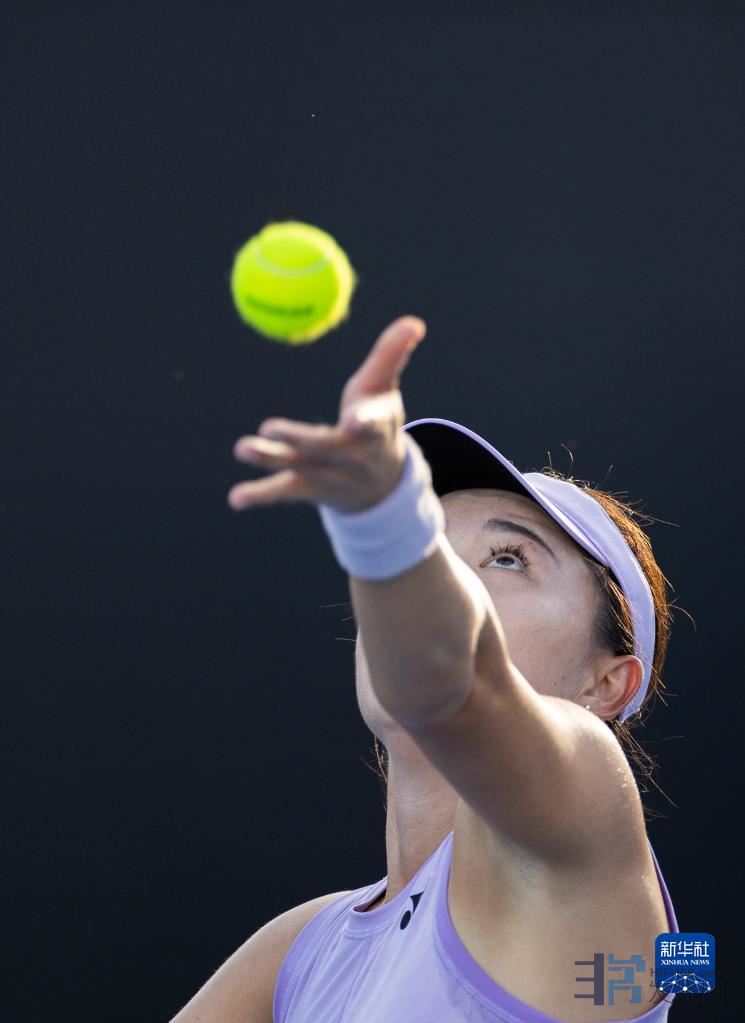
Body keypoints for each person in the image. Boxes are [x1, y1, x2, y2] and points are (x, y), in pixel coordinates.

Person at [171, 316, 680, 1023]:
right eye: (431, 545)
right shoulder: (297, 948)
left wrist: (385, 531)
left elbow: (454, 685)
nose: (445, 578)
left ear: (605, 685)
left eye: (508, 558)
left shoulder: (586, 808)